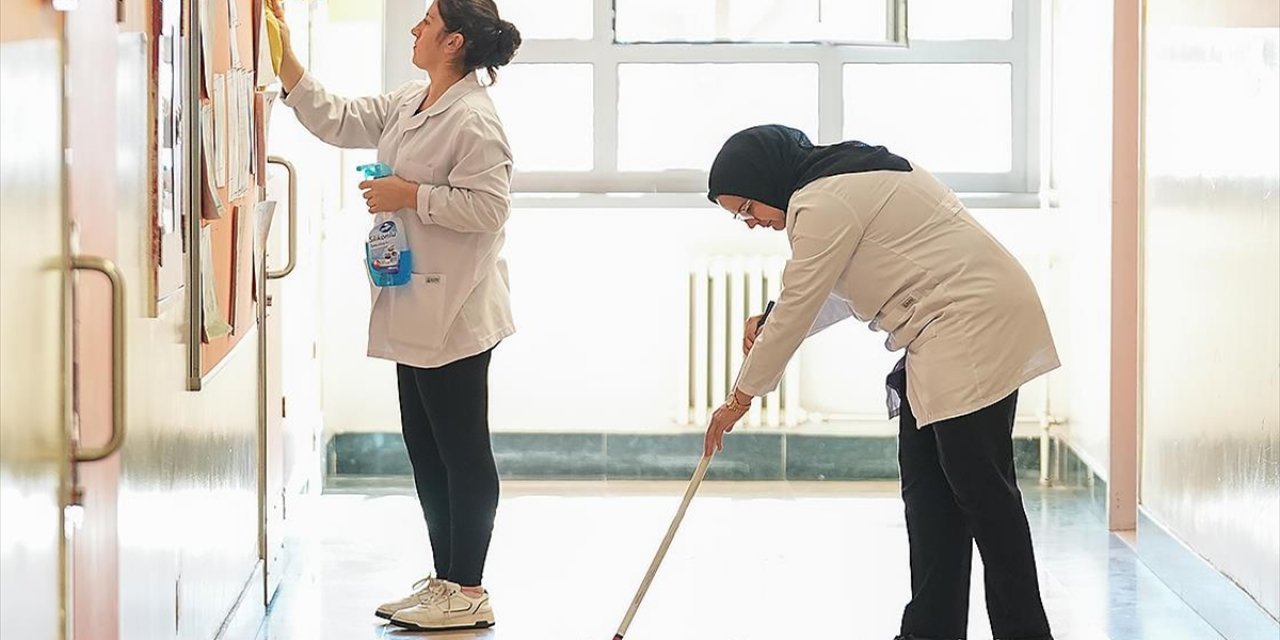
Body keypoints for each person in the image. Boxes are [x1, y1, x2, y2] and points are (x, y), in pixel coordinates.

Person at [703, 125, 1059, 640]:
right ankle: (929, 633)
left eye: (746, 208)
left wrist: (739, 399)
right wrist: (771, 318)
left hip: (970, 325)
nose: (752, 222)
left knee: (984, 497)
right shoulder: (835, 183)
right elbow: (831, 292)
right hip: (945, 333)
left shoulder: (822, 201)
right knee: (928, 495)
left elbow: (802, 298)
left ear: (764, 180)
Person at [271, 0, 520, 631]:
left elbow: (489, 209)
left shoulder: (474, 119)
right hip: (416, 300)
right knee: (426, 449)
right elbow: (339, 118)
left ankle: (469, 588)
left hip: (458, 308)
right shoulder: (413, 100)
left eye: (427, 21)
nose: (416, 28)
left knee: (462, 451)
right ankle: (446, 582)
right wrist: (286, 58)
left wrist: (410, 195)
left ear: (453, 42)